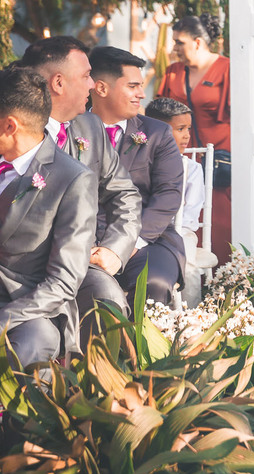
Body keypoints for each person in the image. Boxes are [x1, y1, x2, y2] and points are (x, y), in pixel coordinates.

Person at [18, 37, 141, 327]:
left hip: (82, 263)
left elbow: (125, 194)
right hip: (19, 270)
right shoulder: (12, 129)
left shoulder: (91, 126)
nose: (91, 84)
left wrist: (114, 249)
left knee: (107, 299)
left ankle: (102, 372)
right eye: (86, 76)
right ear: (58, 83)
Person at [0, 68, 97, 366]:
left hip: (26, 306)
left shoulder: (71, 179)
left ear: (9, 126)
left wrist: (4, 317)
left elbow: (64, 281)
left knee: (36, 340)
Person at [88, 47, 185, 307]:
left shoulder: (157, 133)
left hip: (147, 240)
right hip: (84, 242)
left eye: (140, 86)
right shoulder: (70, 129)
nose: (141, 94)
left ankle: (148, 348)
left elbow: (169, 194)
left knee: (153, 282)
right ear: (101, 88)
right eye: (132, 86)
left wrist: (128, 242)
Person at [159, 14, 231, 265]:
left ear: (198, 42)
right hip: (179, 160)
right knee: (181, 218)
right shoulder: (173, 72)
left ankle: (221, 281)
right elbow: (158, 115)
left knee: (219, 223)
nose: (174, 48)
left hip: (220, 162)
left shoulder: (228, 69)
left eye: (180, 42)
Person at [145, 96, 216, 308]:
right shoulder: (140, 160)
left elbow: (190, 215)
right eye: (180, 129)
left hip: (180, 231)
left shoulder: (192, 168)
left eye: (188, 129)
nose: (186, 136)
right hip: (143, 228)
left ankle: (191, 315)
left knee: (187, 267)